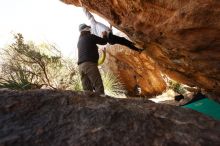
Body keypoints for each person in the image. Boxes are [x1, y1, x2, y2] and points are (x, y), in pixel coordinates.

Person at [77, 23, 108, 94]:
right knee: (98, 86)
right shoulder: (90, 36)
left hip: (80, 67)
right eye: (88, 28)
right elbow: (104, 41)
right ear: (87, 29)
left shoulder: (79, 41)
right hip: (89, 65)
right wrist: (104, 35)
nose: (90, 29)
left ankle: (89, 104)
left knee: (87, 90)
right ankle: (102, 103)